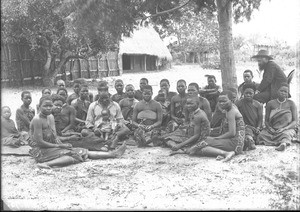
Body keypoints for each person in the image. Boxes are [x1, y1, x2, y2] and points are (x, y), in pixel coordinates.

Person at [29, 96, 126, 169]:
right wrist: (59, 146)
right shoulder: (37, 120)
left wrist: (62, 143)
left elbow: (54, 136)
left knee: (80, 150)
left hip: (51, 147)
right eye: (45, 106)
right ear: (39, 106)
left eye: (50, 105)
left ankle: (113, 154)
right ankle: (45, 164)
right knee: (71, 157)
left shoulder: (50, 116)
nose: (49, 108)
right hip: (41, 151)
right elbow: (39, 142)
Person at [187, 90, 245, 162]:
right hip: (237, 144)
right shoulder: (231, 108)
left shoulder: (231, 112)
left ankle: (226, 153)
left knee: (206, 140)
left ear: (231, 100)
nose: (221, 103)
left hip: (235, 144)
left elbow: (232, 133)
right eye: (219, 101)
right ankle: (224, 152)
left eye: (224, 101)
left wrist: (217, 138)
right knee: (202, 148)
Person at [257, 83, 298, 151]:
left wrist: (284, 128)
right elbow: (266, 121)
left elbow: (295, 121)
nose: (283, 93)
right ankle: (279, 140)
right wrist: (270, 128)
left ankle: (283, 144)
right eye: (281, 91)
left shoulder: (291, 103)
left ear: (288, 93)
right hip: (273, 129)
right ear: (277, 91)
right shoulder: (270, 103)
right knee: (261, 135)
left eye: (285, 91)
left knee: (286, 135)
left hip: (286, 129)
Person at [236, 83, 263, 150]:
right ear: (243, 93)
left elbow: (260, 119)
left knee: (264, 134)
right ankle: (250, 141)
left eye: (250, 93)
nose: (248, 95)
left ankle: (251, 139)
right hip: (244, 126)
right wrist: (245, 125)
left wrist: (258, 127)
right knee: (247, 131)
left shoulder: (257, 104)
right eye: (246, 93)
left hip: (255, 128)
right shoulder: (239, 103)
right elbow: (236, 118)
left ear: (254, 93)